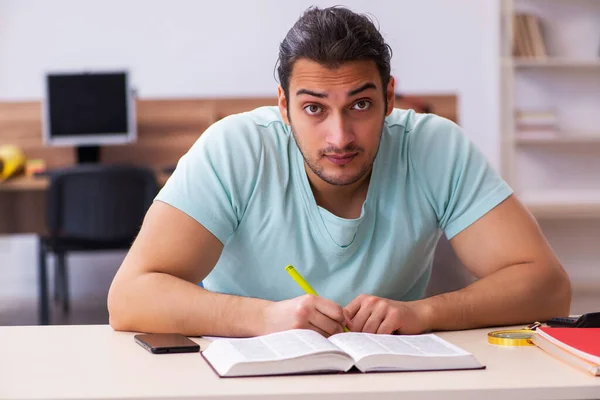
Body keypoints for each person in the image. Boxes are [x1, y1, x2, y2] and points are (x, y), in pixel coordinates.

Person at [107, 6, 571, 337]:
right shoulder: (234, 148)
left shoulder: (434, 146)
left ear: (390, 97)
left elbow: (548, 288)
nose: (340, 136)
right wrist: (264, 318)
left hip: (389, 378)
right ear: (284, 107)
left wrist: (424, 313)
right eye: (314, 108)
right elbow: (130, 297)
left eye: (361, 104)